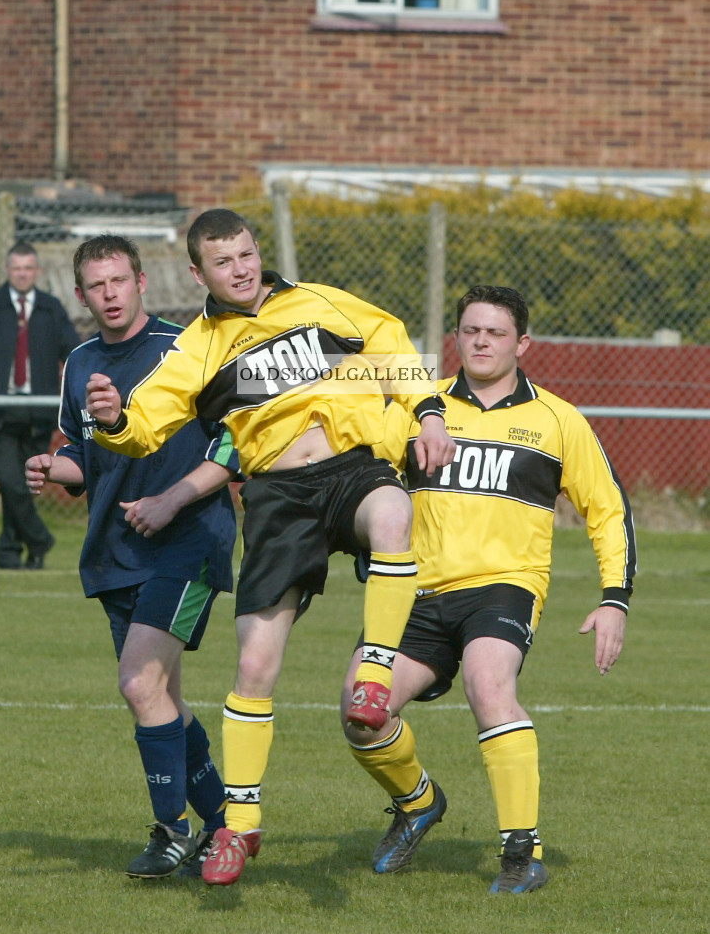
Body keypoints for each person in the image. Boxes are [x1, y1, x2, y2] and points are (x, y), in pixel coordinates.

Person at [85, 208, 455, 886]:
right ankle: (241, 825)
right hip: (278, 499)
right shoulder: (198, 346)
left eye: (247, 254)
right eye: (224, 263)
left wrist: (428, 409)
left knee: (393, 512)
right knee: (254, 661)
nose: (242, 268)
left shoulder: (320, 303)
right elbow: (143, 423)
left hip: (351, 469)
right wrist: (111, 421)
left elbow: (393, 342)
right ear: (198, 273)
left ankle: (375, 675)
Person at [342, 284, 637, 894]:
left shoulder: (557, 420)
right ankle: (418, 802)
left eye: (496, 332)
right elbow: (361, 483)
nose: (480, 341)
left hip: (504, 587)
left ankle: (520, 855)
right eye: (470, 330)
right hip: (417, 593)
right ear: (456, 337)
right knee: (360, 713)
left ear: (522, 343)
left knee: (488, 683)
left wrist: (614, 598)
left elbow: (607, 510)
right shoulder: (419, 414)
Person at [25, 234, 239, 879]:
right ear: (81, 294)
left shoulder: (187, 349)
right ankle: (224, 828)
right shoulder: (79, 363)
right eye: (97, 284)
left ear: (142, 281)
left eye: (120, 279)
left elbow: (233, 446)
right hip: (115, 551)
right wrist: (52, 467)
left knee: (138, 683)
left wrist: (172, 500)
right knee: (161, 696)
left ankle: (173, 831)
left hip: (188, 541)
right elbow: (87, 463)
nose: (110, 293)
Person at [0, 240, 80, 569]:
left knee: (25, 485)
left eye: (29, 268)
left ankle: (9, 551)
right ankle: (40, 538)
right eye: (17, 268)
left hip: (38, 413)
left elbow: (73, 350)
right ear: (7, 270)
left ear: (37, 271)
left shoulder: (50, 308)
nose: (23, 274)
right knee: (10, 481)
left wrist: (88, 378)